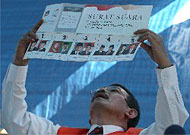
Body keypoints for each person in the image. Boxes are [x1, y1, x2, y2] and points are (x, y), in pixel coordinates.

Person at [1, 20, 189, 135]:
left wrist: (164, 65)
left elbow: (171, 124)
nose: (101, 90)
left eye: (113, 91)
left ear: (130, 113)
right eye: (99, 91)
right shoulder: (59, 133)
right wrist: (19, 62)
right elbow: (13, 119)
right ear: (90, 119)